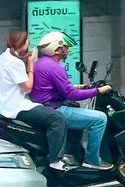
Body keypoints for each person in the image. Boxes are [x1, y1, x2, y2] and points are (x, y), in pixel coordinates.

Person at [31, 31, 114, 171]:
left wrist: (80, 86)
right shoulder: (54, 67)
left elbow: (51, 87)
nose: (67, 50)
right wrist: (98, 91)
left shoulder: (40, 63)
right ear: (56, 48)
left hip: (43, 107)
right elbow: (70, 94)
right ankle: (92, 160)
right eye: (65, 46)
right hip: (55, 109)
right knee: (100, 119)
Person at [0, 31, 71, 171]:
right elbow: (28, 88)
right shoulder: (14, 63)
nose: (29, 44)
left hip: (2, 104)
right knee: (57, 118)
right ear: (22, 44)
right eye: (28, 41)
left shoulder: (2, 57)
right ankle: (55, 160)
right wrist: (31, 65)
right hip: (15, 106)